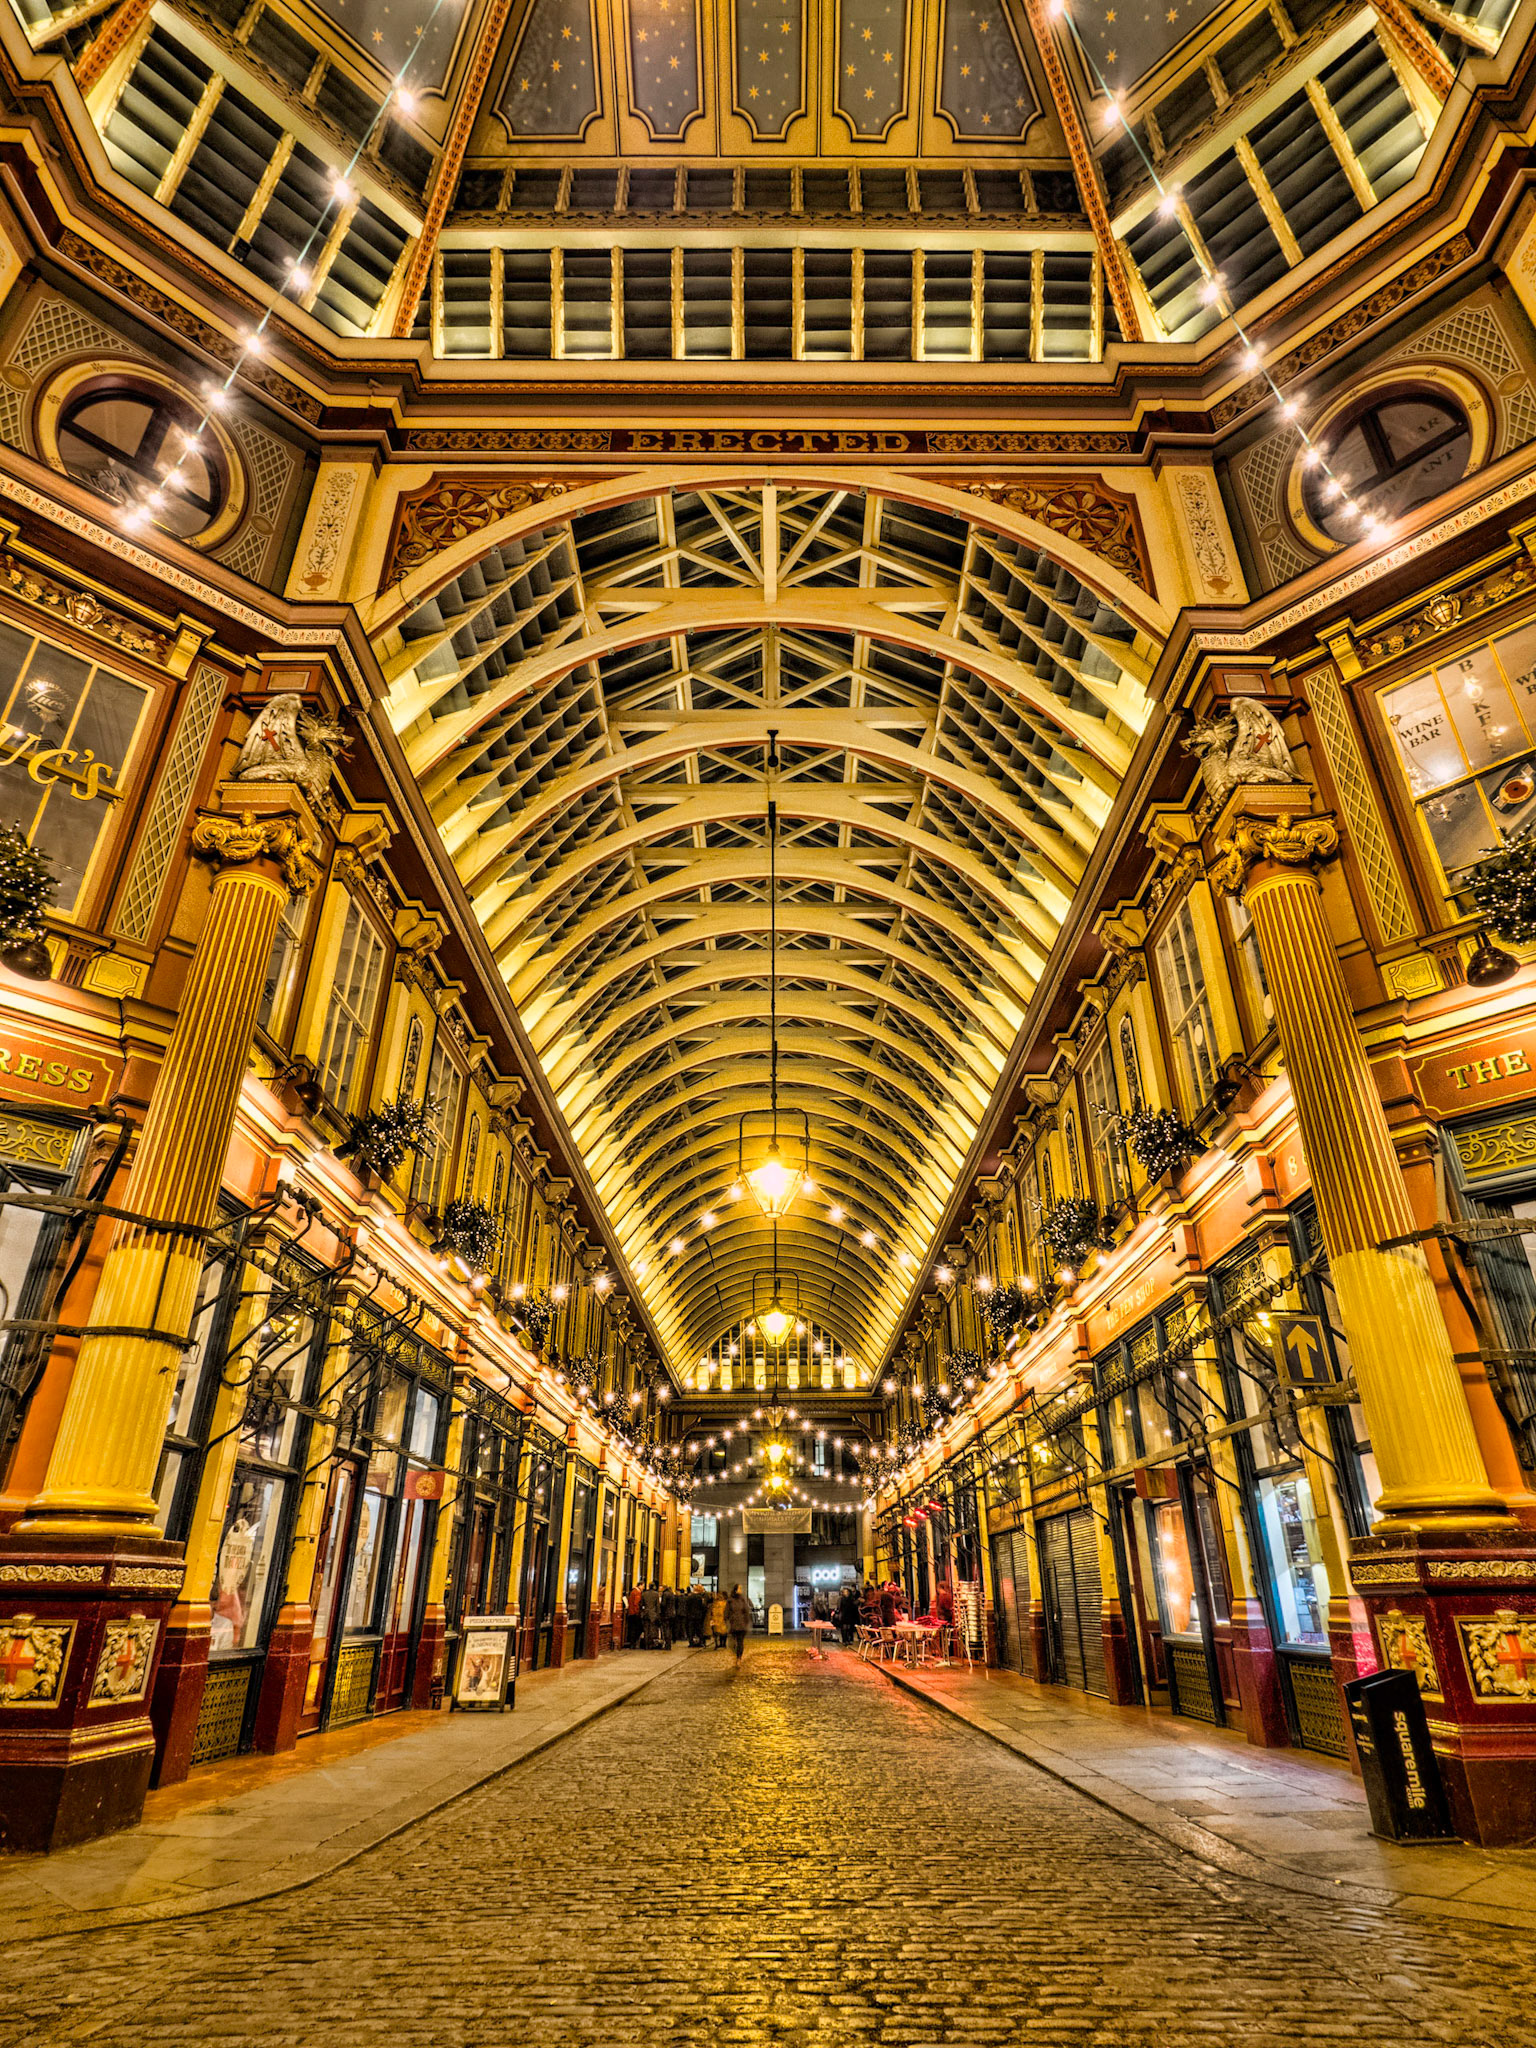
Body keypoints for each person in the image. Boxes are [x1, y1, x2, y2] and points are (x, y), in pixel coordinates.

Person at [724, 1582, 752, 1663]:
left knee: (740, 1642)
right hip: (733, 1624)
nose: (741, 1590)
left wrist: (747, 1621)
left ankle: (739, 1657)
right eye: (739, 1588)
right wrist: (726, 1621)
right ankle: (736, 1654)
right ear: (735, 1590)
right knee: (732, 1642)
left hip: (742, 1624)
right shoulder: (730, 1600)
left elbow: (746, 1611)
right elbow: (727, 1612)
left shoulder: (742, 1600)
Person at [685, 1581, 706, 1647]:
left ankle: (691, 1642)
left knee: (691, 1630)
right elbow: (703, 1607)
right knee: (699, 1629)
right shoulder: (700, 1598)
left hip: (690, 1616)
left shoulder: (689, 1597)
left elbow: (687, 1607)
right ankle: (701, 1642)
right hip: (698, 1616)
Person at [838, 1581, 860, 1646]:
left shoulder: (851, 1599)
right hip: (844, 1615)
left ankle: (849, 1639)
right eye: (845, 1592)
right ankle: (845, 1640)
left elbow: (853, 1606)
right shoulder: (842, 1599)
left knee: (849, 1628)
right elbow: (840, 1607)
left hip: (850, 1615)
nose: (846, 1593)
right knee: (844, 1628)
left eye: (847, 1592)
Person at [641, 1580, 662, 1648]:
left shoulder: (644, 1594)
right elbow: (657, 1605)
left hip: (645, 1613)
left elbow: (641, 1604)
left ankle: (646, 1644)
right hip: (653, 1614)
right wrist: (658, 1614)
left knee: (646, 1629)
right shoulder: (656, 1594)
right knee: (652, 1630)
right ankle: (650, 1644)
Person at [625, 1581, 643, 1650]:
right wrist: (637, 1612)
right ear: (640, 1585)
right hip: (634, 1613)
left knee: (632, 1628)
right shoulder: (637, 1593)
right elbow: (636, 1603)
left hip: (631, 1612)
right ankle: (634, 1643)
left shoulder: (632, 1592)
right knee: (636, 1629)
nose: (643, 1588)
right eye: (643, 1586)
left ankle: (632, 1644)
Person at [660, 1583, 676, 1647]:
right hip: (672, 1613)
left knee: (666, 1629)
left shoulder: (665, 1594)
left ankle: (667, 1644)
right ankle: (669, 1643)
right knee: (669, 1629)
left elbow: (663, 1604)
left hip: (666, 1614)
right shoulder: (671, 1593)